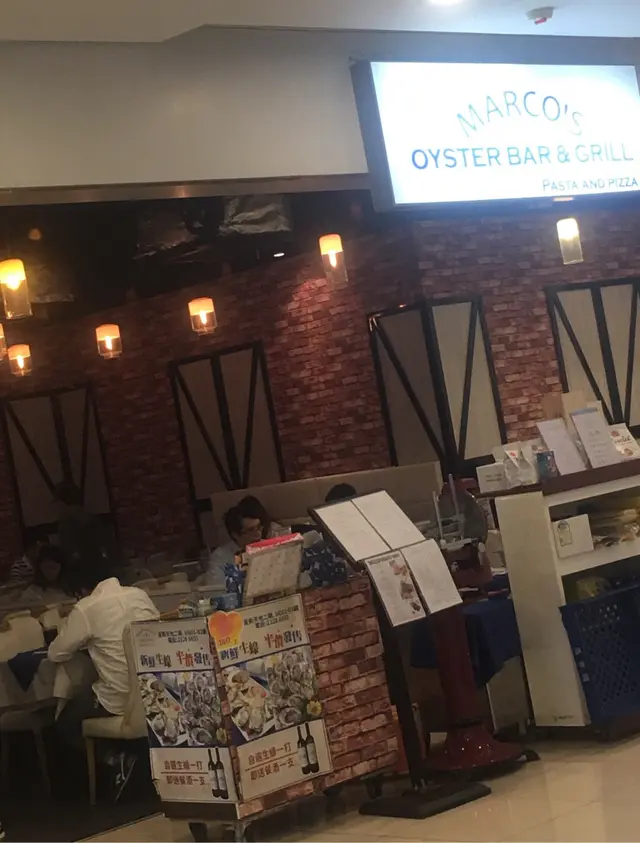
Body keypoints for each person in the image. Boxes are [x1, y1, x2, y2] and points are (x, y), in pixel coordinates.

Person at [49, 564, 158, 800]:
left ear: (80, 591)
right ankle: (130, 758)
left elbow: (56, 653)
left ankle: (115, 759)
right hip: (156, 693)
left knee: (64, 723)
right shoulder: (139, 595)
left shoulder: (86, 607)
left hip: (118, 699)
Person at [55, 481, 119, 573]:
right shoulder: (92, 519)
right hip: (103, 570)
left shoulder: (68, 524)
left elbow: (68, 556)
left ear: (62, 503)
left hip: (86, 573)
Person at [205, 505, 262, 590]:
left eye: (259, 527)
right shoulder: (220, 557)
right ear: (235, 535)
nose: (258, 534)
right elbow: (216, 590)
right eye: (251, 530)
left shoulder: (270, 547)